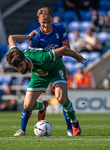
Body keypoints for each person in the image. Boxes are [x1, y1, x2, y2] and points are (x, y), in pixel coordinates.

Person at [7, 34, 86, 136]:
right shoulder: (16, 55)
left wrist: (77, 56)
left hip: (55, 69)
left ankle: (73, 124)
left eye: (21, 66)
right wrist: (28, 37)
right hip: (39, 74)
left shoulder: (42, 58)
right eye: (17, 68)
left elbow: (63, 50)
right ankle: (38, 111)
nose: (21, 70)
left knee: (61, 98)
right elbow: (11, 38)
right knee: (27, 105)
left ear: (25, 59)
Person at [19, 7, 74, 137]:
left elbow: (67, 48)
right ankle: (23, 128)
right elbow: (32, 58)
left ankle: (70, 129)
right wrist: (38, 71)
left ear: (52, 20)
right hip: (40, 72)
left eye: (48, 22)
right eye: (43, 22)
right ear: (39, 21)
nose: (46, 25)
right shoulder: (35, 37)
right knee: (27, 105)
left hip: (56, 67)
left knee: (61, 98)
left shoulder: (60, 28)